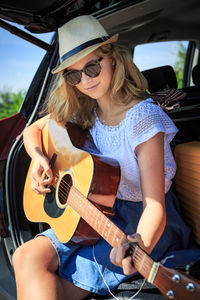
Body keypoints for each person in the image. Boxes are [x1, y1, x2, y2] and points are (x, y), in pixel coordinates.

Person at [12, 15, 200, 300]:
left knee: (49, 283)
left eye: (92, 67)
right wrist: (38, 157)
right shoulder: (85, 111)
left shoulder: (143, 119)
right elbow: (34, 130)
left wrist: (139, 244)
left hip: (140, 221)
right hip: (92, 211)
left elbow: (155, 207)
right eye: (74, 75)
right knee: (25, 256)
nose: (85, 80)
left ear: (112, 59)